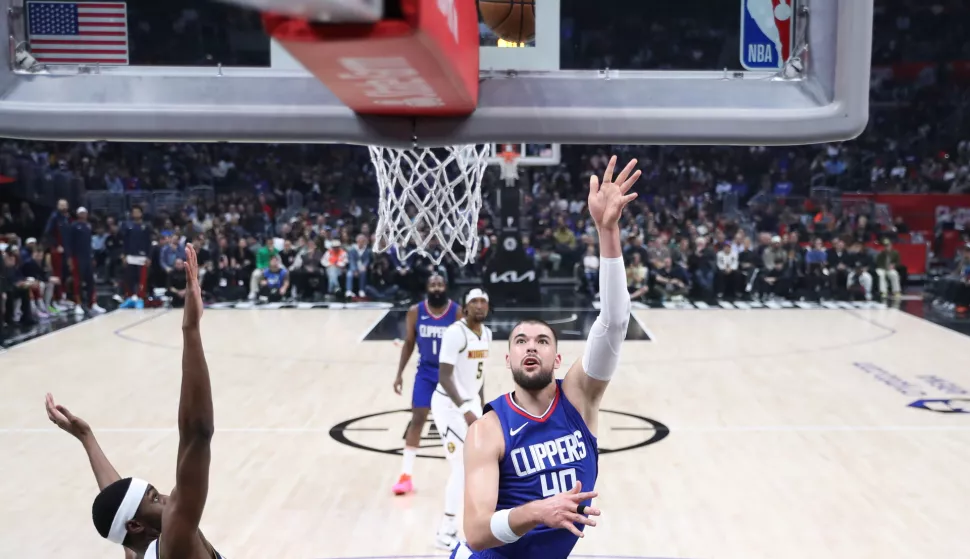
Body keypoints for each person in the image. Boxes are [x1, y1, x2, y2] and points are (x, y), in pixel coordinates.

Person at [452, 155, 641, 559]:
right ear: (508, 360)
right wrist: (538, 511)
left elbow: (614, 322)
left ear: (558, 359)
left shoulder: (579, 398)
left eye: (542, 340)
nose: (531, 346)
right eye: (520, 341)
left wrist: (607, 231)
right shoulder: (488, 430)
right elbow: (475, 532)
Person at [86, 244, 225, 559]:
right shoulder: (175, 539)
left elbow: (115, 501)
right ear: (136, 526)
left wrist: (87, 438)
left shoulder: (136, 549)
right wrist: (190, 328)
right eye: (154, 497)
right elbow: (197, 433)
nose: (166, 495)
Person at [430, 288, 493, 549]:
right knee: (461, 466)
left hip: (471, 405)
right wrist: (465, 408)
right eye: (474, 302)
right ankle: (446, 530)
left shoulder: (487, 334)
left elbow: (479, 377)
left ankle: (481, 523)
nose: (479, 306)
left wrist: (482, 405)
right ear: (465, 308)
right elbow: (444, 376)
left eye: (483, 301)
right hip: (448, 406)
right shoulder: (455, 333)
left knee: (485, 464)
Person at [392, 274, 461, 496]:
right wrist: (400, 373)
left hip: (450, 374)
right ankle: (406, 475)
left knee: (457, 425)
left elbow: (465, 346)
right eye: (433, 284)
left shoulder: (456, 312)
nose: (437, 287)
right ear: (427, 288)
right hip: (425, 373)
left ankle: (463, 473)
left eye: (440, 284)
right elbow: (409, 343)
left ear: (446, 287)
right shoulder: (415, 312)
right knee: (417, 420)